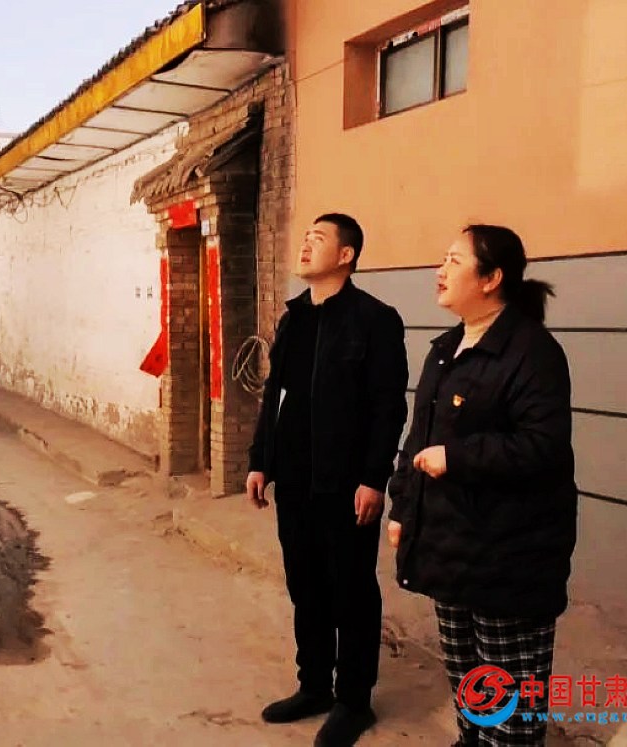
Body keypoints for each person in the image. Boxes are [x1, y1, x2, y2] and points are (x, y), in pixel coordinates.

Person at [387, 224, 577, 747]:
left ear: (491, 278)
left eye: (454, 260)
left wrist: (457, 457)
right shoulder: (447, 347)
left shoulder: (532, 352)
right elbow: (418, 436)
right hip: (451, 550)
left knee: (509, 707)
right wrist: (402, 508)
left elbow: (542, 446)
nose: (440, 270)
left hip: (509, 558)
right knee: (470, 687)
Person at [247, 213, 409, 747]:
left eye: (318, 239)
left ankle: (354, 701)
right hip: (295, 482)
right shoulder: (294, 319)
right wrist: (260, 461)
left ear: (346, 255)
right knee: (305, 586)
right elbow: (275, 396)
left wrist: (373, 478)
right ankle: (313, 684)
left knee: (351, 591)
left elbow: (387, 408)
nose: (305, 244)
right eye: (305, 237)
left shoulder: (375, 320)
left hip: (346, 487)